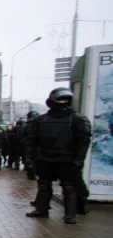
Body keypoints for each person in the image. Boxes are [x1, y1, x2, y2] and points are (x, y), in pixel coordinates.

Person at [25, 88, 91, 225]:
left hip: (67, 160)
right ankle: (42, 209)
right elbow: (30, 141)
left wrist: (79, 160)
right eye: (59, 100)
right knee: (44, 185)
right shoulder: (40, 120)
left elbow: (83, 142)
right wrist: (30, 158)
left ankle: (70, 214)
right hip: (45, 159)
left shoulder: (77, 120)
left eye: (64, 100)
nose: (61, 103)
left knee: (69, 187)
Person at [23, 111, 39, 180]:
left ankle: (30, 173)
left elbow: (24, 134)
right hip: (37, 145)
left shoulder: (27, 125)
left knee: (29, 159)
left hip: (29, 144)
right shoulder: (39, 123)